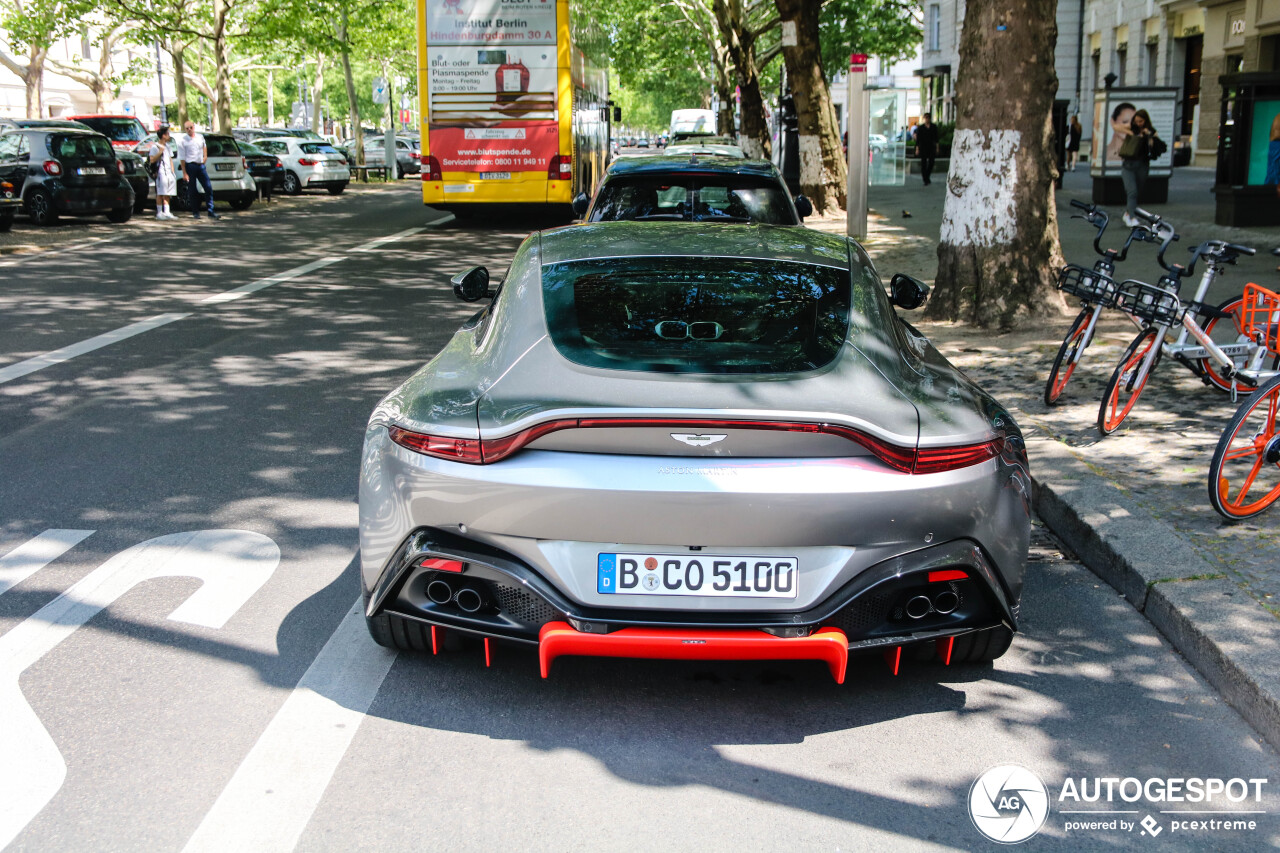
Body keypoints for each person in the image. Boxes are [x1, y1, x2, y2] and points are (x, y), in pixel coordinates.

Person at [1119, 109, 1157, 227]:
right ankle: (1132, 217)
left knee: (1137, 192)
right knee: (1132, 191)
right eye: (1136, 121)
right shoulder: (1132, 129)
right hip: (1128, 165)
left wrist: (1148, 136)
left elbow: (1153, 145)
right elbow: (1117, 127)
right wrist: (1132, 131)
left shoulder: (1151, 131)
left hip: (1142, 165)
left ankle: (1127, 213)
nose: (1139, 123)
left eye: (1141, 121)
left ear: (1146, 121)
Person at [176, 121, 219, 220]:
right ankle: (195, 212)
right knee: (192, 190)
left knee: (208, 187)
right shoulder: (183, 141)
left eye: (191, 127)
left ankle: (211, 210)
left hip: (200, 165)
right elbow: (182, 158)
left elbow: (204, 146)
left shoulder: (200, 137)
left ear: (194, 127)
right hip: (190, 165)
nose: (189, 130)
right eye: (187, 128)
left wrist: (205, 157)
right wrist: (184, 172)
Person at [148, 126, 177, 220]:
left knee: (168, 193)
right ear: (163, 136)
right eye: (168, 134)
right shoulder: (155, 147)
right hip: (160, 172)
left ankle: (167, 211)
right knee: (160, 193)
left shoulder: (168, 146)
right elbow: (152, 160)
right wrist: (160, 152)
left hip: (169, 173)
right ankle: (159, 212)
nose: (169, 136)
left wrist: (173, 171)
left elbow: (170, 159)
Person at [914, 112, 939, 186]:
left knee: (931, 162)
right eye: (925, 118)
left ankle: (927, 176)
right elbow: (918, 140)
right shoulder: (921, 128)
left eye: (928, 118)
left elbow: (936, 138)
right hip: (923, 147)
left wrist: (937, 147)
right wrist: (917, 149)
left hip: (931, 147)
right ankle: (925, 179)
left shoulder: (933, 127)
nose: (927, 119)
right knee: (923, 163)